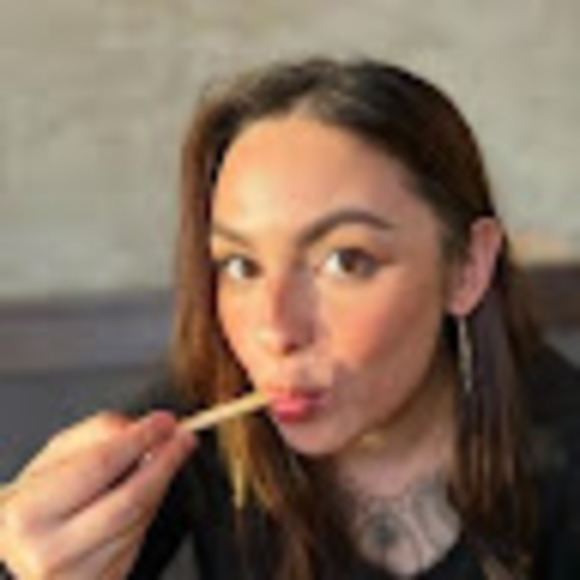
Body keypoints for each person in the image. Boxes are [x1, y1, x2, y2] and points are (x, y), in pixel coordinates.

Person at [1, 57, 579, 580]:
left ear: (467, 268)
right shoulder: (191, 427)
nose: (275, 331)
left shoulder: (566, 450)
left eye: (346, 261)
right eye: (241, 265)